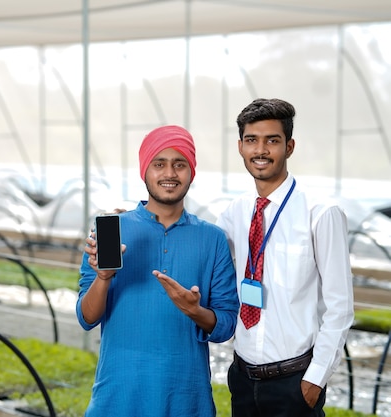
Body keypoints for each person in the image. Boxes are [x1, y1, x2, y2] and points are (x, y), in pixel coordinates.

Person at [76, 125, 240, 417]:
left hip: (187, 400)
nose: (169, 173)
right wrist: (103, 279)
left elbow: (226, 325)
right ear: (145, 171)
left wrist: (195, 311)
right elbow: (87, 318)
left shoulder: (212, 239)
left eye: (180, 164)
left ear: (191, 172)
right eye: (159, 164)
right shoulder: (112, 230)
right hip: (118, 398)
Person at [216, 98, 354, 417]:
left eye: (272, 140)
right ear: (240, 147)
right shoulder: (234, 212)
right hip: (242, 378)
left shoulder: (321, 212)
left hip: (295, 383)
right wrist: (135, 220)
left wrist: (315, 380)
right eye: (252, 140)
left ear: (289, 146)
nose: (260, 150)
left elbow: (340, 306)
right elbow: (198, 247)